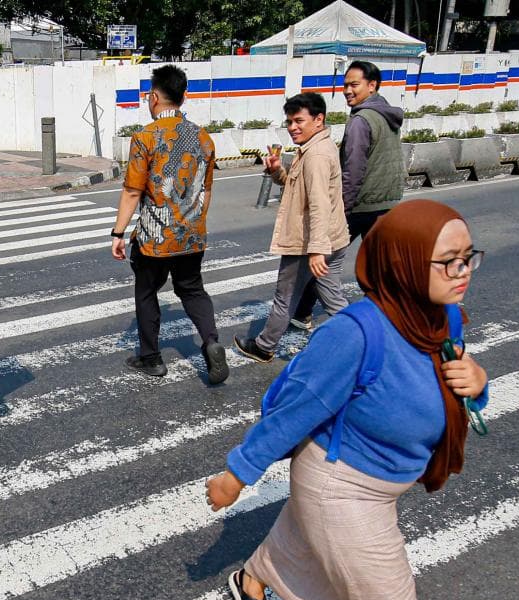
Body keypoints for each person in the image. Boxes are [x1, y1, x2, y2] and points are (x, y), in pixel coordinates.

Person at [206, 199, 489, 600]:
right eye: (448, 261)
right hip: (339, 485)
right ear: (405, 264)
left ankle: (252, 581)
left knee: (302, 544)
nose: (463, 271)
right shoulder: (356, 334)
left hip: (383, 483)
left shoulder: (443, 320)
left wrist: (478, 384)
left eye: (469, 258)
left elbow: (447, 390)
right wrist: (238, 472)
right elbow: (297, 406)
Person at [109, 64, 229, 385]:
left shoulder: (145, 138)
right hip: (191, 234)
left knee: (147, 291)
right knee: (192, 290)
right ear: (183, 96)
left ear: (153, 97)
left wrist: (118, 232)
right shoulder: (203, 138)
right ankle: (211, 341)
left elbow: (133, 190)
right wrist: (194, 224)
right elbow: (206, 190)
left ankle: (152, 359)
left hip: (154, 237)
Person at [290, 60, 405, 331]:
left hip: (360, 204)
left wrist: (340, 208)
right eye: (345, 85)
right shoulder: (386, 114)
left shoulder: (361, 121)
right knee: (377, 266)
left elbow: (353, 169)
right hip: (386, 202)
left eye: (354, 85)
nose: (347, 91)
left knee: (320, 255)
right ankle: (385, 314)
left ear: (372, 85)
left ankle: (307, 313)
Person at [234, 93, 349, 363]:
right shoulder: (316, 147)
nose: (293, 127)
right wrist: (277, 171)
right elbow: (298, 189)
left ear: (318, 120)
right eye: (289, 122)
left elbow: (319, 204)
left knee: (285, 297)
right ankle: (362, 339)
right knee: (333, 298)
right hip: (333, 238)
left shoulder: (316, 155)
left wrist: (317, 250)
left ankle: (264, 346)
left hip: (308, 242)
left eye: (299, 121)